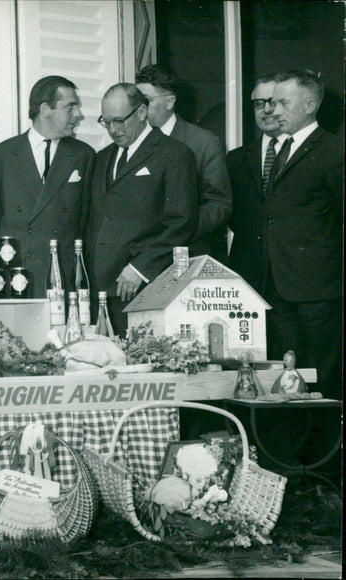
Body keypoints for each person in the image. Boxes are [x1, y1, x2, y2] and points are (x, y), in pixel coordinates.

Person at [86, 83, 197, 336]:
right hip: (101, 290)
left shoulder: (174, 154)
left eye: (119, 121)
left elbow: (181, 223)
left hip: (143, 287)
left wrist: (140, 268)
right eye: (106, 122)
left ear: (141, 112)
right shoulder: (103, 158)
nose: (113, 130)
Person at [262, 69, 343, 401]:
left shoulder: (334, 151)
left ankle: (323, 452)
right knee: (288, 382)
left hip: (319, 293)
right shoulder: (281, 150)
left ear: (309, 104)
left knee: (321, 380)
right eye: (270, 102)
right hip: (278, 289)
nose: (273, 110)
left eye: (282, 102)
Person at [0, 76, 95, 298]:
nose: (78, 115)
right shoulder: (3, 154)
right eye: (70, 107)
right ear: (46, 109)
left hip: (62, 277)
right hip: (16, 276)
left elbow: (86, 222)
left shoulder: (83, 155)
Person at [136, 64, 231, 262]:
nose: (140, 109)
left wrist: (175, 232)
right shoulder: (133, 141)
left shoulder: (204, 142)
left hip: (188, 255)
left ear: (170, 102)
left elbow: (219, 204)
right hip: (139, 257)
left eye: (146, 101)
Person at [226, 74, 286, 290]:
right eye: (259, 103)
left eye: (273, 102)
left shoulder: (305, 154)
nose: (266, 109)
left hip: (293, 274)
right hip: (247, 271)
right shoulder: (236, 159)